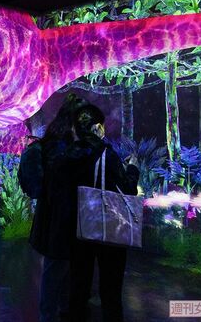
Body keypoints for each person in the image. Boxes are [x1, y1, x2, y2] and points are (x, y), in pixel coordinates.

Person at [65, 103, 139, 322]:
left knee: (78, 286)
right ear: (97, 128)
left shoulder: (68, 153)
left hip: (78, 228)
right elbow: (128, 190)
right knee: (110, 289)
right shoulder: (106, 154)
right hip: (108, 230)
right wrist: (132, 168)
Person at [28, 94, 83, 322]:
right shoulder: (60, 147)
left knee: (61, 270)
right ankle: (49, 316)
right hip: (59, 221)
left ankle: (59, 312)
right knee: (55, 271)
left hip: (60, 220)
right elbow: (58, 185)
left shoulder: (58, 143)